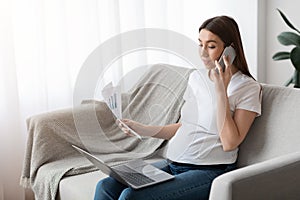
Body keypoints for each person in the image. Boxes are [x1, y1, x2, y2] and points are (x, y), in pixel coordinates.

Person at [94, 15, 262, 200]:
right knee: (106, 186)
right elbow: (184, 126)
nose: (203, 53)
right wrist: (141, 129)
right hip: (173, 163)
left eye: (211, 46)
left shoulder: (248, 88)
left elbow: (230, 142)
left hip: (209, 170)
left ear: (230, 50)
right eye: (200, 44)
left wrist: (220, 90)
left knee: (131, 196)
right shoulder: (197, 78)